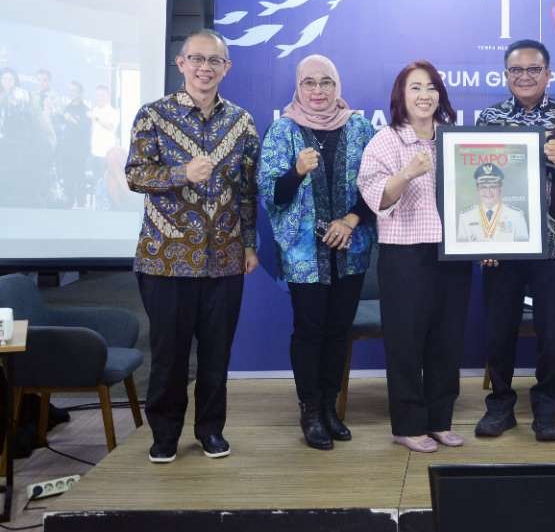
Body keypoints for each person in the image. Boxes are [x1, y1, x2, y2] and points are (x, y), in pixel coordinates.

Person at [125, 29, 260, 464]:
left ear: (227, 68)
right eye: (197, 60)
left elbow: (247, 191)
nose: (205, 68)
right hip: (165, 260)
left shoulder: (241, 121)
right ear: (181, 63)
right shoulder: (153, 116)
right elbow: (135, 175)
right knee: (168, 356)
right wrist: (182, 172)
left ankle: (210, 431)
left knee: (217, 357)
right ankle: (164, 435)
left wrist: (249, 244)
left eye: (214, 61)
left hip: (224, 259)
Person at [258, 54, 376, 450]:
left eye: (326, 82)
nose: (319, 91)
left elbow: (374, 190)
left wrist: (351, 221)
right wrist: (296, 172)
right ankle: (310, 410)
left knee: (339, 330)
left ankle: (330, 407)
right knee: (310, 331)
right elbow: (272, 195)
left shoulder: (359, 128)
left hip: (351, 248)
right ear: (298, 86)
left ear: (337, 85)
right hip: (305, 254)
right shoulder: (283, 130)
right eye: (310, 83)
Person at [358, 61, 471, 453]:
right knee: (406, 342)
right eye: (415, 88)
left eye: (431, 87)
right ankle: (407, 424)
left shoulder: (455, 139)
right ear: (401, 97)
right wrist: (407, 173)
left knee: (447, 340)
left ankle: (440, 420)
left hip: (454, 253)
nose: (424, 95)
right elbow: (377, 199)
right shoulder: (386, 141)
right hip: (405, 254)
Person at [473, 39, 555, 443]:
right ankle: (500, 405)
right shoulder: (489, 118)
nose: (524, 77)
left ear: (548, 73)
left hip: (552, 243)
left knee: (552, 333)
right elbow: (473, 182)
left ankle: (547, 408)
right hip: (500, 240)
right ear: (505, 75)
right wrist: (482, 242)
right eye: (516, 70)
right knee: (499, 329)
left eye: (533, 69)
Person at [457, 163, 529, 242]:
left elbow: (523, 248)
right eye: (483, 187)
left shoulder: (516, 216)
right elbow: (461, 248)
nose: (488, 192)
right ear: (477, 189)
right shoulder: (465, 217)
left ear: (500, 189)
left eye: (493, 186)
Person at [57, 81, 91, 208]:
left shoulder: (85, 109)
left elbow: (82, 126)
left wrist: (68, 117)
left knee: (79, 176)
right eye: (69, 90)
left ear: (80, 93)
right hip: (66, 149)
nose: (71, 93)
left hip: (80, 150)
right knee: (67, 176)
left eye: (74, 91)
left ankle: (81, 202)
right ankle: (68, 201)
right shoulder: (67, 107)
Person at [90, 83, 120, 178]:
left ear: (108, 96)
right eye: (97, 95)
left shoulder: (112, 112)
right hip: (94, 151)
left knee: (105, 180)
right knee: (96, 178)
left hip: (106, 153)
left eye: (102, 95)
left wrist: (97, 118)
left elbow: (110, 127)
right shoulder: (94, 110)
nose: (99, 98)